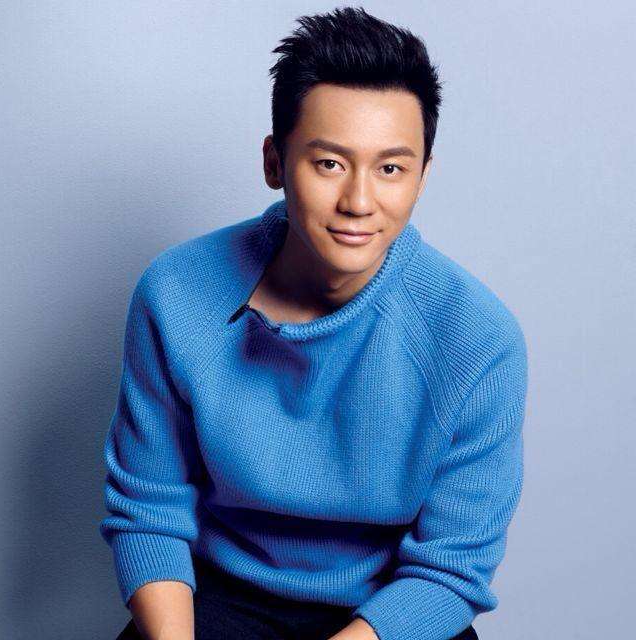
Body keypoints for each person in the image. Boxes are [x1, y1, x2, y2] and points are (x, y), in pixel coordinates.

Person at [100, 7, 527, 640]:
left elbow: (451, 569)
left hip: (389, 613)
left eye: (391, 169)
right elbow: (149, 508)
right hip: (217, 597)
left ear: (422, 178)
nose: (359, 202)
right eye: (329, 163)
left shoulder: (479, 340)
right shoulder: (177, 294)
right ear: (275, 162)